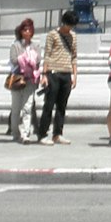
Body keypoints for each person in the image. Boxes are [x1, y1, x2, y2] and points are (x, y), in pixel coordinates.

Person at [36, 10, 78, 145]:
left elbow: (74, 56)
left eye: (72, 25)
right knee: (49, 104)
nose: (70, 28)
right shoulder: (52, 35)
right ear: (64, 22)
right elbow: (47, 54)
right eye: (69, 25)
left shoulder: (73, 36)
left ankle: (58, 133)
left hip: (66, 73)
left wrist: (75, 75)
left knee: (62, 105)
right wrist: (44, 74)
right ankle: (42, 134)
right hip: (53, 72)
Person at [7, 19, 40, 142]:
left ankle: (25, 134)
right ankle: (15, 133)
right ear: (21, 31)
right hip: (17, 79)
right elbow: (13, 60)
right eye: (25, 30)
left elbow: (38, 60)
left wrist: (32, 60)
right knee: (16, 109)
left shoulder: (35, 46)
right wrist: (25, 58)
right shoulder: (16, 45)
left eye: (30, 30)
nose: (28, 32)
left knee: (27, 108)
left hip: (30, 80)